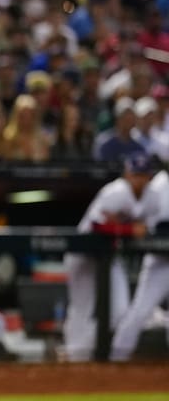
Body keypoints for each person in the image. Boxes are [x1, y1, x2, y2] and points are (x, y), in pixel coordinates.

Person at [63, 153, 156, 362]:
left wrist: (128, 228)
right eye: (135, 174)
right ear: (127, 173)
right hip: (83, 253)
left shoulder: (150, 197)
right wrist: (128, 229)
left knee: (120, 310)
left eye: (142, 174)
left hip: (108, 256)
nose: (138, 179)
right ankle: (75, 356)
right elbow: (98, 225)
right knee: (82, 306)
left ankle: (97, 355)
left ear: (149, 176)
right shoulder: (116, 191)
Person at [111, 162, 169, 361]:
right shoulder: (160, 184)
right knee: (141, 310)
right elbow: (147, 220)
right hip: (160, 260)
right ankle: (118, 358)